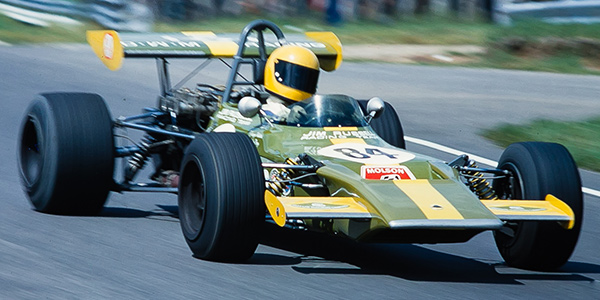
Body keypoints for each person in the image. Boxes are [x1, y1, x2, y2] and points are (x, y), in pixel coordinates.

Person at [262, 44, 320, 123]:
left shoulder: (310, 110)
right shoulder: (266, 111)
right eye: (296, 76)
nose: (301, 81)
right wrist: (284, 120)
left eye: (306, 77)